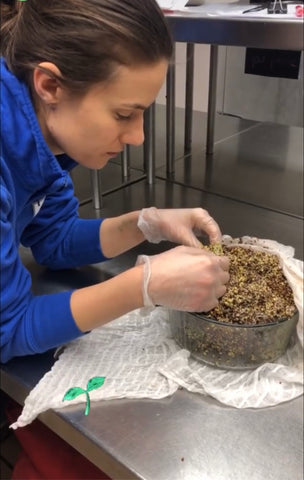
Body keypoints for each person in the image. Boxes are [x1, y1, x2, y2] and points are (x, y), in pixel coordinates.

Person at [1, 0, 229, 476]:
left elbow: (55, 238)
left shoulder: (41, 136)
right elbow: (8, 330)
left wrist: (144, 224)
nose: (138, 137)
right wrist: (141, 288)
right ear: (50, 85)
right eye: (125, 113)